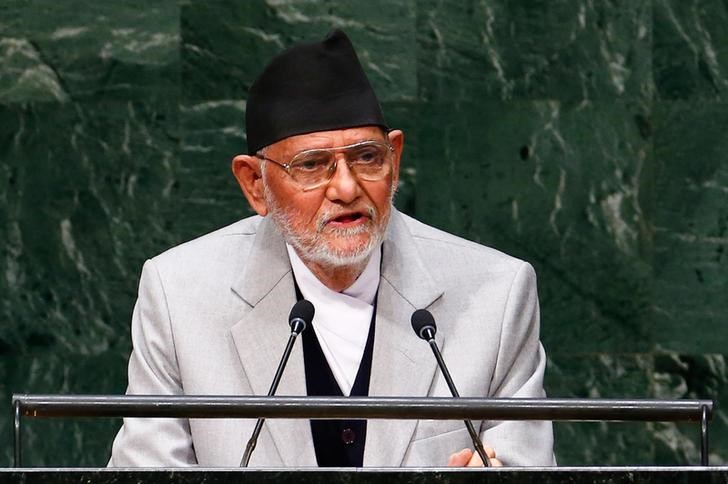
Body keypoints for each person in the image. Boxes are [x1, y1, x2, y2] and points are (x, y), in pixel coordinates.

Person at [109, 29, 554, 468]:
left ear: (394, 159)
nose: (346, 187)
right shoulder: (180, 294)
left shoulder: (496, 294)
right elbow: (145, 472)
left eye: (366, 158)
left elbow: (527, 465)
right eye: (312, 165)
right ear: (254, 184)